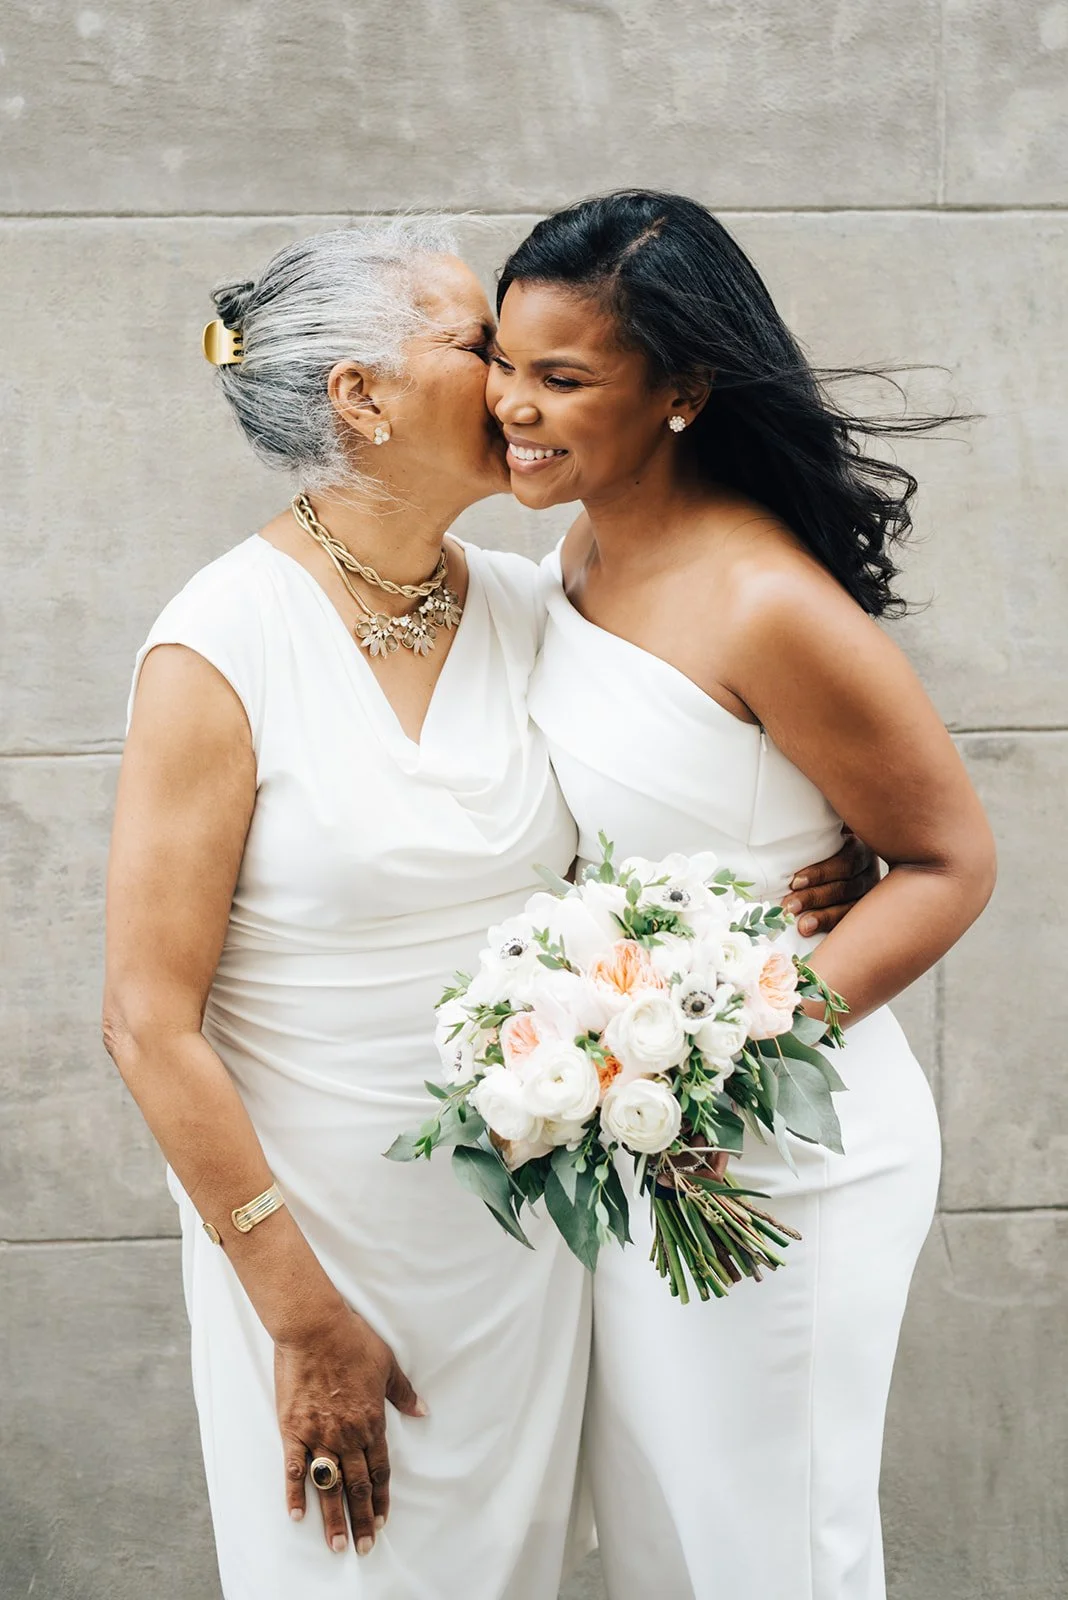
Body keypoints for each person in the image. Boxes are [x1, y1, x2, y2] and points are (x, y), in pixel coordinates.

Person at [103, 217, 876, 1600]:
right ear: (361, 396)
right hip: (323, 1255)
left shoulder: (531, 606)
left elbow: (689, 779)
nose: (514, 383)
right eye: (478, 347)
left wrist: (832, 856)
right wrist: (302, 1317)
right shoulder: (220, 643)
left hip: (530, 1250)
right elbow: (145, 1023)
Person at [487, 190, 996, 1600]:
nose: (510, 406)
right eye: (506, 362)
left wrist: (729, 1053)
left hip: (785, 1149)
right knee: (664, 1538)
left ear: (684, 391)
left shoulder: (769, 604)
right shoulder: (574, 554)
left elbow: (952, 863)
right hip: (639, 1141)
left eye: (562, 378)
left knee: (773, 1548)